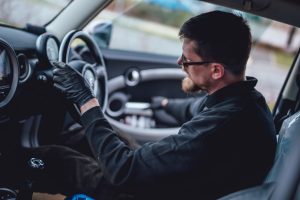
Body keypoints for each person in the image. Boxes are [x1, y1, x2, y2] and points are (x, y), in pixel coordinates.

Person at [33, 10, 277, 200]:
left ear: (215, 70)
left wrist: (86, 100)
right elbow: (190, 110)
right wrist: (163, 103)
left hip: (158, 192)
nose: (179, 61)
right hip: (186, 183)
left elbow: (123, 170)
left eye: (188, 60)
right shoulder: (246, 102)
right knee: (81, 136)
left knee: (56, 159)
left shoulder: (223, 124)